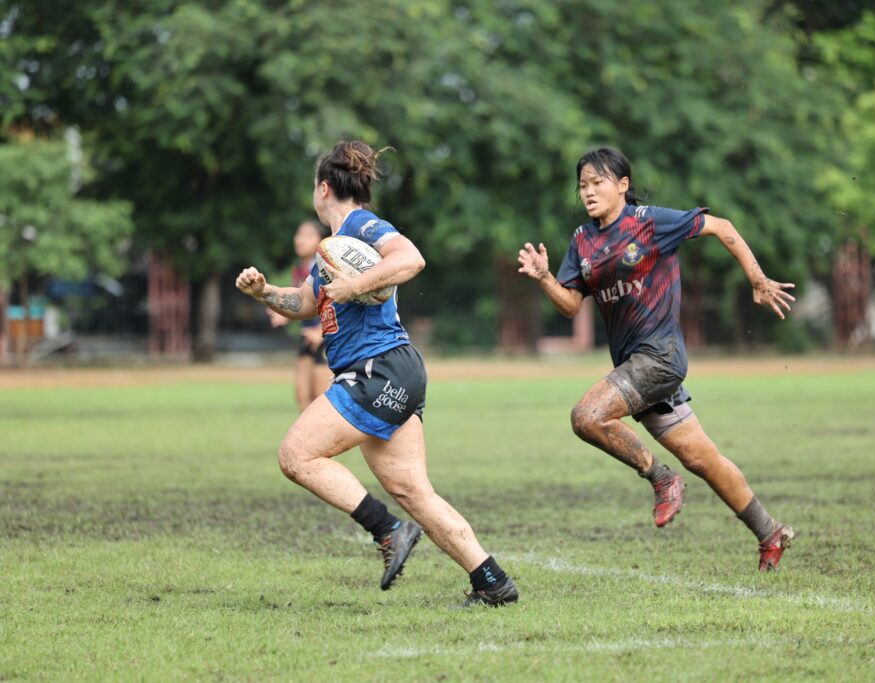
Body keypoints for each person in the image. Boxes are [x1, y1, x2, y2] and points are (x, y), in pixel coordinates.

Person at [236, 140, 518, 605]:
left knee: (297, 455)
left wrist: (355, 286)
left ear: (323, 188)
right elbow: (306, 303)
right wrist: (264, 291)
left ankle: (388, 531)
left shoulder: (362, 225)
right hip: (393, 369)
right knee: (413, 490)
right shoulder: (334, 248)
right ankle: (492, 582)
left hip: (378, 368)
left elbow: (411, 259)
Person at [517, 147, 795, 571]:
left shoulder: (649, 223)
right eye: (583, 185)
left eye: (598, 183)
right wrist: (545, 279)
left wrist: (756, 279)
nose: (588, 192)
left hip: (660, 358)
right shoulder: (582, 241)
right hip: (636, 368)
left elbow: (720, 226)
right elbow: (571, 306)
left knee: (587, 416)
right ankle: (769, 531)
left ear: (623, 186)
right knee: (704, 459)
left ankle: (661, 478)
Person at [267, 220, 334, 411]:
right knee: (302, 396)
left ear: (321, 240)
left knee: (323, 403)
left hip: (325, 339)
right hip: (306, 338)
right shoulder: (300, 269)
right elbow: (304, 301)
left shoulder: (325, 268)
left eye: (308, 235)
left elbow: (337, 302)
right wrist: (284, 314)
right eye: (299, 234)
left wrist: (321, 331)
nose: (301, 240)